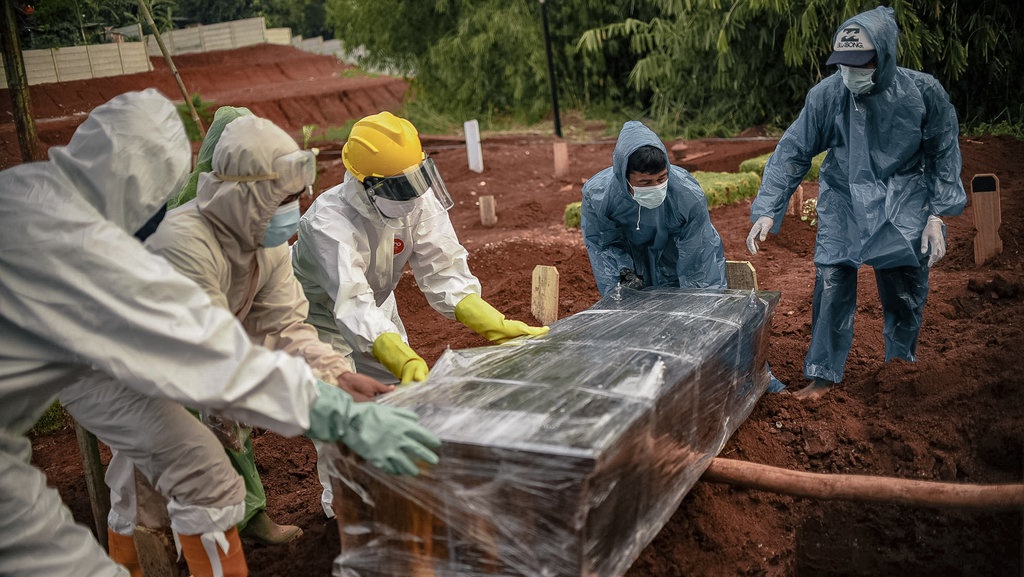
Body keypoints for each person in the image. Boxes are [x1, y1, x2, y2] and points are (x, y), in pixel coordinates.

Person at [1, 89, 440, 577]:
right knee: (153, 478)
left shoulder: (263, 247)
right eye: (282, 199)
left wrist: (336, 373)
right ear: (244, 193)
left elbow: (284, 328)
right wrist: (337, 415)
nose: (292, 211)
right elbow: (212, 361)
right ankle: (140, 556)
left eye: (295, 198)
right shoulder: (173, 246)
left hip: (172, 358)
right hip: (108, 368)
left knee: (199, 476)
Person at [745, 6, 966, 400]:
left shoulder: (923, 93)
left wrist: (935, 215)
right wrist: (767, 207)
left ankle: (900, 369)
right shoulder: (827, 95)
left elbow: (943, 154)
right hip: (844, 195)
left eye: (861, 64)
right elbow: (794, 151)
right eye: (844, 64)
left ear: (884, 56)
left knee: (903, 287)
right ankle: (823, 375)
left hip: (903, 197)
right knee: (832, 279)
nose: (851, 73)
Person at [291, 111, 549, 386]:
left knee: (397, 389)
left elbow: (442, 268)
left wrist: (492, 322)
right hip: (317, 318)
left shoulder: (416, 199)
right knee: (338, 404)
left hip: (376, 307)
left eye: (418, 177)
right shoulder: (327, 224)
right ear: (366, 184)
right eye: (399, 186)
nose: (414, 195)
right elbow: (352, 299)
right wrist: (400, 355)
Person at [580, 120, 729, 296]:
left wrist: (702, 302)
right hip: (631, 249)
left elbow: (698, 253)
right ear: (624, 177)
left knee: (683, 295)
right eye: (645, 182)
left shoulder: (687, 194)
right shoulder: (599, 196)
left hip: (674, 248)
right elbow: (603, 244)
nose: (656, 187)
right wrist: (622, 279)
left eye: (661, 179)